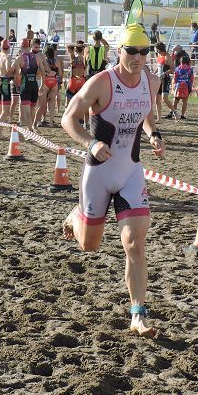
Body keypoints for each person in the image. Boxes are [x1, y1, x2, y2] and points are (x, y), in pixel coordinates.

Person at [60, 23, 165, 337]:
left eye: (143, 51)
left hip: (130, 171)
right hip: (99, 173)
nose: (137, 57)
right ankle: (75, 216)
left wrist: (153, 134)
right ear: (118, 51)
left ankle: (138, 314)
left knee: (134, 242)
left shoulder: (151, 81)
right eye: (131, 51)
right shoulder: (101, 82)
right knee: (90, 245)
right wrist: (90, 143)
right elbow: (69, 117)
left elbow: (146, 112)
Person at [0, 37, 20, 137]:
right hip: (5, 83)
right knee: (5, 111)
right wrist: (15, 66)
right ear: (8, 47)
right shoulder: (7, 57)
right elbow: (8, 70)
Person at [18, 37, 47, 132]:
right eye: (36, 47)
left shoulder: (20, 57)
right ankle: (30, 126)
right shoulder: (38, 57)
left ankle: (30, 128)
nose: (37, 49)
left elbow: (15, 73)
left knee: (27, 109)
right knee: (32, 108)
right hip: (35, 84)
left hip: (26, 84)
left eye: (38, 47)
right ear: (30, 46)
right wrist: (42, 84)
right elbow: (44, 71)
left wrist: (17, 83)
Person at [37, 44, 63, 126]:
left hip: (46, 81)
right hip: (54, 81)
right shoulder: (57, 61)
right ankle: (51, 122)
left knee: (42, 103)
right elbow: (60, 73)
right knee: (52, 103)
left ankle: (41, 120)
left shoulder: (44, 61)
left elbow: (40, 73)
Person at [171, 55, 193, 120]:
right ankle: (182, 115)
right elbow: (191, 79)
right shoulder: (190, 70)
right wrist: (190, 86)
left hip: (178, 87)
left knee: (175, 101)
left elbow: (175, 78)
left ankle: (175, 114)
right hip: (186, 86)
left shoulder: (177, 69)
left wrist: (174, 86)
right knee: (185, 102)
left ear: (181, 61)